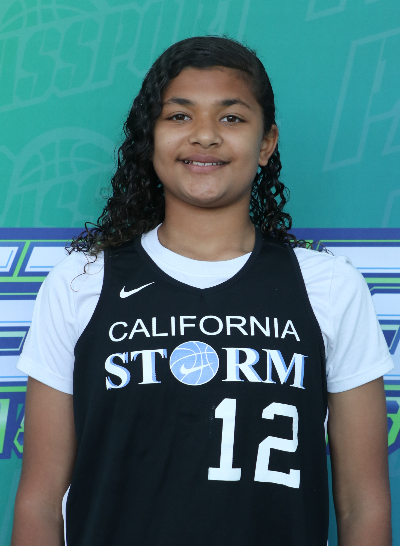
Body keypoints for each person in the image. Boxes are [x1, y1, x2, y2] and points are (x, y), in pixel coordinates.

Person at [12, 36, 393, 546]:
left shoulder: (329, 285)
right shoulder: (81, 281)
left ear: (266, 143)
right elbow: (39, 502)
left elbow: (363, 503)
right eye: (179, 116)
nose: (206, 135)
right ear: (150, 137)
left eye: (231, 118)